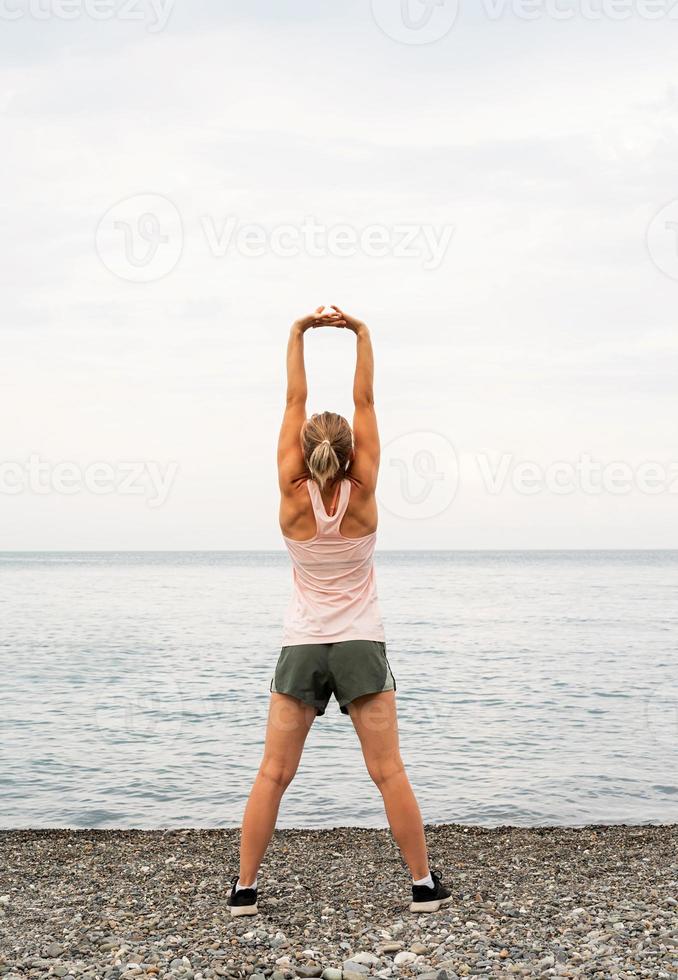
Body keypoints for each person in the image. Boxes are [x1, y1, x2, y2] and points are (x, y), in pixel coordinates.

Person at [228, 306, 451, 917]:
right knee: (388, 773)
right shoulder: (367, 489)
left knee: (273, 773)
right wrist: (361, 333)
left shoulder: (289, 492)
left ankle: (244, 891)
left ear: (302, 452)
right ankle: (423, 887)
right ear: (351, 452)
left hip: (302, 647)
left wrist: (297, 332)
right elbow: (367, 401)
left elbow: (293, 398)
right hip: (359, 645)